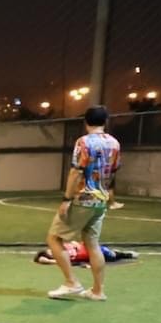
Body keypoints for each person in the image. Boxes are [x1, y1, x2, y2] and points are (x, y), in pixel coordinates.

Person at [46, 105, 121, 301]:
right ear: (105, 121)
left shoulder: (84, 142)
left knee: (54, 238)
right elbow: (113, 172)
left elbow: (76, 171)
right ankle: (98, 291)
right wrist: (109, 197)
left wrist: (67, 199)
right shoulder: (114, 143)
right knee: (93, 244)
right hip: (101, 200)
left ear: (86, 121)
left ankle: (72, 282)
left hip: (83, 198)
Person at [33, 240, 136, 266]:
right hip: (87, 255)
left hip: (85, 247)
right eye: (50, 253)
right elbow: (42, 260)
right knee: (110, 256)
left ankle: (125, 254)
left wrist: (76, 244)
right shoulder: (61, 258)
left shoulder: (63, 246)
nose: (52, 251)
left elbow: (73, 242)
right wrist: (47, 260)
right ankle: (123, 254)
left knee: (105, 251)